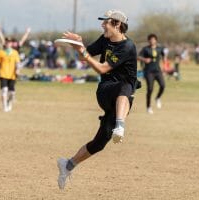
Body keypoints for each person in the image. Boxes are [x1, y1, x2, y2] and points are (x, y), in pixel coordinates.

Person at [56, 9, 138, 190]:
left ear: (117, 25)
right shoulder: (105, 40)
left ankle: (68, 165)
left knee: (101, 142)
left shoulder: (127, 47)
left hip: (121, 100)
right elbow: (88, 58)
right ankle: (120, 126)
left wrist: (81, 51)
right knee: (125, 87)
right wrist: (78, 45)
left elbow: (100, 66)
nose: (102, 25)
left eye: (106, 22)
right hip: (106, 91)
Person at [138, 34, 166, 114]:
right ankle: (148, 107)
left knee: (163, 85)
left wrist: (164, 66)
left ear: (156, 40)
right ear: (148, 41)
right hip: (148, 71)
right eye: (150, 39)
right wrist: (144, 59)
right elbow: (138, 57)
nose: (152, 41)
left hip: (158, 71)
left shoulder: (159, 48)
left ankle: (158, 98)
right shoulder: (145, 49)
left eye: (153, 39)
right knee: (150, 89)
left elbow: (164, 56)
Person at [0, 38, 21, 112]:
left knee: (12, 93)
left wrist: (18, 70)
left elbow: (17, 63)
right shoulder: (1, 52)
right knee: (4, 90)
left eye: (9, 42)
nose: (8, 44)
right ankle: (4, 106)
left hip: (12, 75)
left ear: (11, 44)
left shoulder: (15, 53)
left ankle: (9, 103)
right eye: (7, 42)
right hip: (3, 74)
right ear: (5, 44)